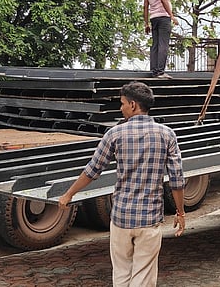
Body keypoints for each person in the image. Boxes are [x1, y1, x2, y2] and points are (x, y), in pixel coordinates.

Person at [59, 81, 185, 287]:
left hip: (121, 218)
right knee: (143, 278)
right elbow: (177, 179)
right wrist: (180, 212)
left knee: (121, 275)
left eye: (122, 103)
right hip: (149, 220)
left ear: (133, 105)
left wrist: (69, 194)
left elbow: (92, 170)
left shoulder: (114, 134)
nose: (121, 108)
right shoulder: (166, 134)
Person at [144, 0, 178, 79]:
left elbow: (145, 6)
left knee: (155, 44)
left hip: (153, 18)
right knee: (163, 43)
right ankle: (160, 72)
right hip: (163, 17)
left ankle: (154, 70)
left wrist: (146, 23)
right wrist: (171, 16)